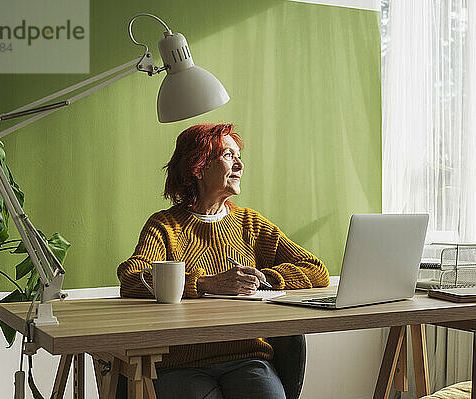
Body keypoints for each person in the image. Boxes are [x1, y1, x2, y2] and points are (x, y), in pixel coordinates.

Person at [117, 122, 330, 399]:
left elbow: (316, 270)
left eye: (239, 156)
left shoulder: (250, 223)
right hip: (181, 362)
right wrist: (205, 284)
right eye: (229, 155)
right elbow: (132, 278)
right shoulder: (165, 226)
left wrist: (264, 278)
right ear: (199, 166)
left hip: (248, 357)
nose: (240, 165)